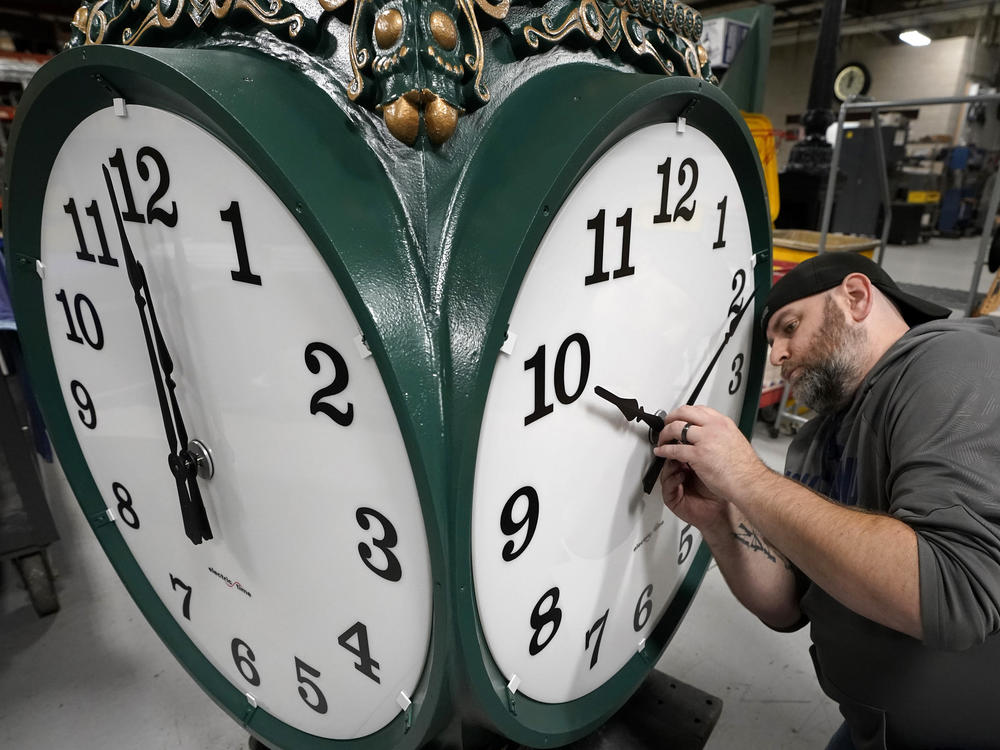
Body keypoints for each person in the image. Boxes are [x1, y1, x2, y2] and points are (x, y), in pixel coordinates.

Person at [654, 252, 1000, 750]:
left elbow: (953, 592)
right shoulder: (818, 440)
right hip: (870, 728)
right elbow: (790, 605)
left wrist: (748, 476)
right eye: (772, 342)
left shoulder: (950, 365)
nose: (777, 355)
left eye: (789, 327)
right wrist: (719, 520)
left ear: (855, 297)